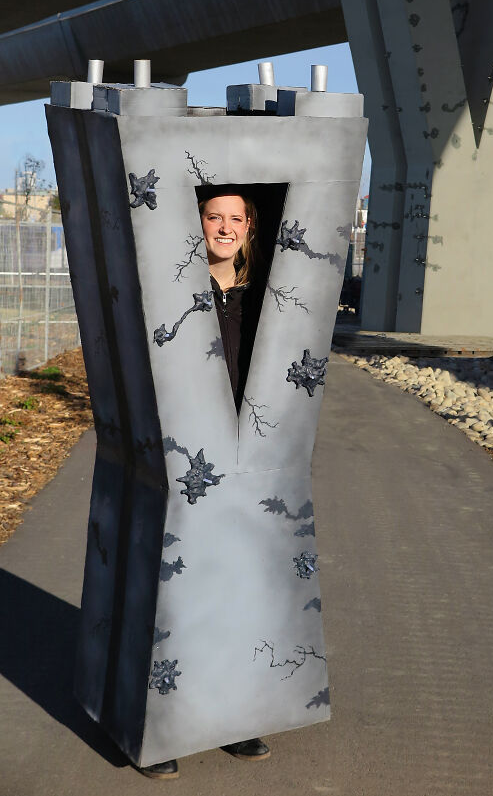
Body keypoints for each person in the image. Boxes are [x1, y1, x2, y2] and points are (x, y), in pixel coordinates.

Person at [138, 189, 271, 780]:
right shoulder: (170, 289)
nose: (224, 227)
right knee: (174, 592)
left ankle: (233, 716)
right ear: (195, 224)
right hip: (180, 457)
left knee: (236, 589)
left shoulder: (263, 298)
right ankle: (160, 725)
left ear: (249, 229)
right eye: (212, 216)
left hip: (246, 456)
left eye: (235, 218)